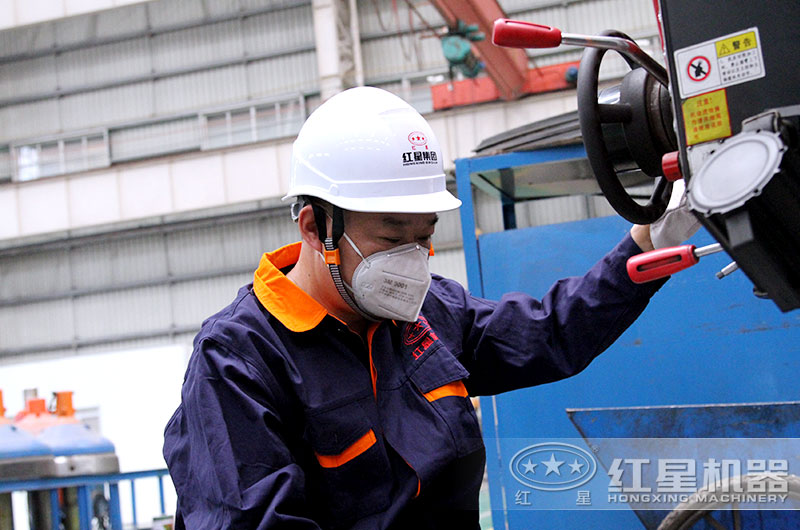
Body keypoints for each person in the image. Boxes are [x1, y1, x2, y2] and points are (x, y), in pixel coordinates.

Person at [163, 86, 693, 529]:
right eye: (392, 236)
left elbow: (551, 332)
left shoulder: (427, 312)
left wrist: (645, 248)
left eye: (424, 236)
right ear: (314, 227)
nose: (412, 260)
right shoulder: (237, 362)